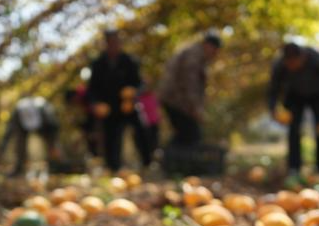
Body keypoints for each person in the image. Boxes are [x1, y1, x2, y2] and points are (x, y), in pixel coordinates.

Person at [267, 42, 319, 178]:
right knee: (294, 130)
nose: (291, 67)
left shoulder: (317, 60)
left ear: (303, 57)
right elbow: (273, 89)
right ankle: (294, 169)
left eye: (294, 63)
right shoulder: (280, 64)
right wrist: (273, 109)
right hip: (295, 96)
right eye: (288, 63)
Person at [86, 29, 144, 170]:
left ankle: (147, 163)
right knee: (110, 137)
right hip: (108, 107)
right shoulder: (98, 64)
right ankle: (113, 168)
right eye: (110, 42)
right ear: (105, 44)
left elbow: (140, 83)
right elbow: (92, 89)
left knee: (141, 130)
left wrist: (133, 93)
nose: (113, 45)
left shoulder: (129, 61)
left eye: (116, 42)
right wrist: (95, 104)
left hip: (128, 104)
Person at [158, 32, 221, 147]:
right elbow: (190, 83)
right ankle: (170, 160)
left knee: (186, 134)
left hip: (175, 100)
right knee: (190, 134)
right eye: (215, 49)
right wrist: (195, 108)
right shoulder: (194, 56)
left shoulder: (197, 55)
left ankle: (171, 159)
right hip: (175, 100)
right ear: (208, 45)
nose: (215, 54)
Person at [0, 97, 60, 176]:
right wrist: (0, 153)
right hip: (24, 119)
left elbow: (53, 131)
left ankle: (55, 166)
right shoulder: (19, 112)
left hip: (44, 120)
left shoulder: (45, 110)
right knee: (20, 144)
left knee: (51, 144)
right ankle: (19, 168)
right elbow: (8, 134)